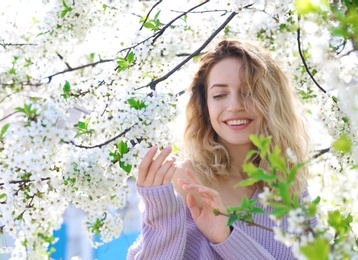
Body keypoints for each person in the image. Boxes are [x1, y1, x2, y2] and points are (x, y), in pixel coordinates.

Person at [127, 39, 316, 259]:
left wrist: (226, 239)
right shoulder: (184, 182)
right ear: (205, 106)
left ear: (271, 101)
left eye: (248, 92)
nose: (235, 105)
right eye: (219, 95)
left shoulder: (289, 186)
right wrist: (160, 214)